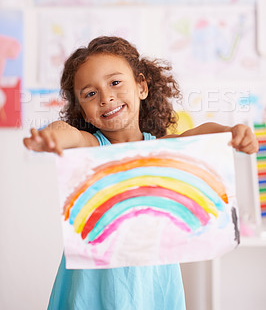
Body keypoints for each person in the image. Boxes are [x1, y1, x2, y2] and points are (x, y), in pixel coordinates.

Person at [23, 36, 258, 310]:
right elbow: (67, 133)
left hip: (152, 276)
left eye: (115, 83)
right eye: (90, 93)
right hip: (93, 277)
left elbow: (197, 134)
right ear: (83, 113)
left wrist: (231, 132)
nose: (106, 97)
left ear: (142, 87)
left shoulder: (161, 148)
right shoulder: (92, 147)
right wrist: (49, 137)